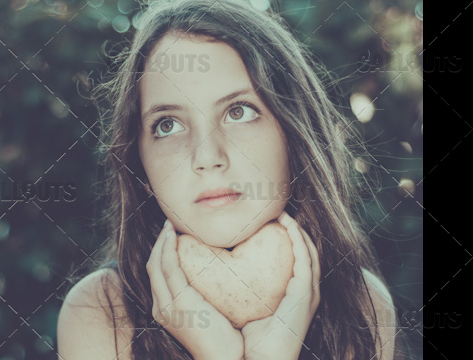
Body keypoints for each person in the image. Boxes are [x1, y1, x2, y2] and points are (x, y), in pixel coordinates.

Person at [57, 0, 409, 358]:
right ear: (141, 167)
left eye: (238, 112)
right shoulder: (99, 312)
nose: (207, 157)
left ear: (294, 136)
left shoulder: (362, 307)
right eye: (168, 125)